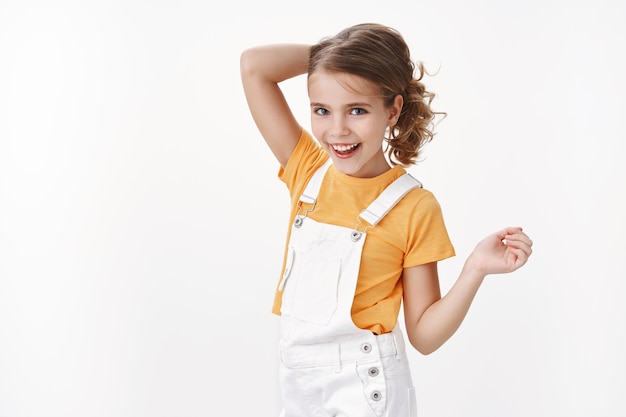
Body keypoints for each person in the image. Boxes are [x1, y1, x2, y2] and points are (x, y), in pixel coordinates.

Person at [240, 22, 533, 417]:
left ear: (392, 109)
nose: (337, 130)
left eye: (357, 110)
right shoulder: (306, 171)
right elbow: (254, 66)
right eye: (322, 110)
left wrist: (474, 270)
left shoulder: (413, 206)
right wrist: (336, 58)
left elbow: (425, 336)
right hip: (298, 386)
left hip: (368, 388)